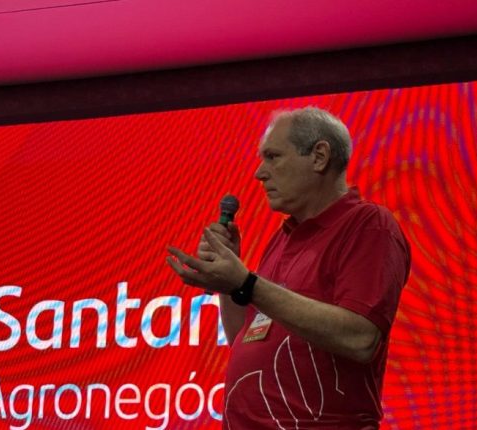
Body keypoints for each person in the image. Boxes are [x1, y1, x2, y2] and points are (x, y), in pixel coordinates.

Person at [167, 107, 411, 429]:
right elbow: (243, 337)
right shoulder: (282, 238)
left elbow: (360, 338)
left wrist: (247, 283)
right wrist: (231, 284)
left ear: (319, 157)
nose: (259, 173)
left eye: (273, 157)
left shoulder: (368, 225)